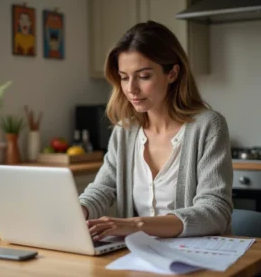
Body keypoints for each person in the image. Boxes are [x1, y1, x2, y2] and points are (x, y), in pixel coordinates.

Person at [78, 20, 233, 241]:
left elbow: (215, 211)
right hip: (139, 257)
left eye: (143, 76)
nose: (131, 89)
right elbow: (102, 189)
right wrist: (78, 211)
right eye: (124, 77)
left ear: (172, 73)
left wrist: (136, 225)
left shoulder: (208, 126)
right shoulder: (125, 131)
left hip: (196, 257)